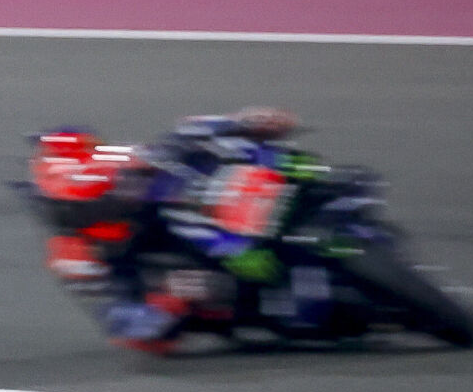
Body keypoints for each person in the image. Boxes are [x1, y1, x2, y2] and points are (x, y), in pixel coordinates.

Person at [31, 107, 306, 350]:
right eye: (85, 209)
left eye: (110, 200)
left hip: (215, 202)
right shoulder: (74, 258)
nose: (100, 214)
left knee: (255, 156)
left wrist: (243, 121)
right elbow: (125, 325)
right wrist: (170, 302)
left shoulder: (119, 164)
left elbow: (181, 136)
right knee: (221, 284)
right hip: (201, 290)